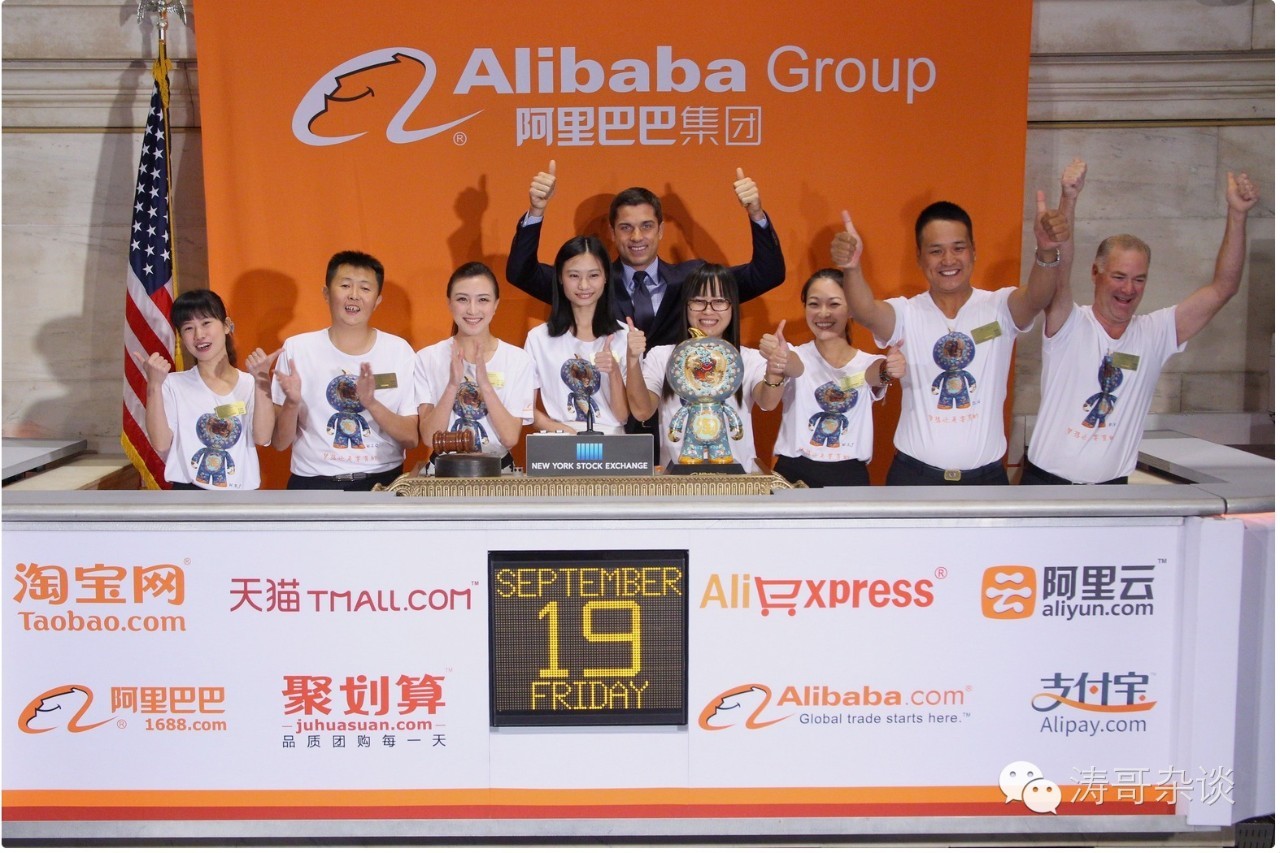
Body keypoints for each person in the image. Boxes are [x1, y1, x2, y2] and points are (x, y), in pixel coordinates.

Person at [1022, 165, 1261, 485]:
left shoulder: (1156, 333)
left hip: (1114, 493)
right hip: (1046, 485)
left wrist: (1237, 214)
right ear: (1095, 273)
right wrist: (1069, 198)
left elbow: (1223, 289)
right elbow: (1060, 271)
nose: (1128, 289)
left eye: (1139, 279)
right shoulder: (1068, 322)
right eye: (1119, 277)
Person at [831, 182, 1071, 485]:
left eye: (958, 248)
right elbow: (865, 311)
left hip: (987, 481)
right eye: (936, 251)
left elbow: (1037, 297)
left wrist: (1047, 251)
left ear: (974, 251)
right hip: (914, 478)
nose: (948, 260)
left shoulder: (1000, 307)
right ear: (919, 257)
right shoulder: (906, 313)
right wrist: (852, 268)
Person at [506, 161, 786, 349]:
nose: (637, 237)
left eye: (647, 226)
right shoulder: (590, 283)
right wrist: (537, 210)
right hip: (610, 410)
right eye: (626, 227)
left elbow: (768, 274)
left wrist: (755, 213)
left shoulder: (693, 280)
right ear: (612, 233)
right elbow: (521, 273)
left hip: (680, 408)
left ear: (661, 230)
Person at [624, 264, 798, 473]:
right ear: (685, 306)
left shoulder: (748, 358)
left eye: (719, 301)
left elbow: (768, 402)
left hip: (736, 479)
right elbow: (642, 411)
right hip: (679, 480)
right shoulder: (662, 356)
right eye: (698, 301)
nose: (708, 310)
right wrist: (632, 359)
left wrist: (775, 367)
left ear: (732, 306)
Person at [271, 250, 419, 490]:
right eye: (345, 285)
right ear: (326, 293)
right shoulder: (297, 349)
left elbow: (411, 438)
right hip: (312, 484)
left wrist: (371, 403)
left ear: (377, 300)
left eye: (365, 288)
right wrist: (291, 403)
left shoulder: (399, 351)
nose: (354, 295)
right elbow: (279, 442)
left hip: (382, 483)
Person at [768, 269, 906, 487]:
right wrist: (781, 358)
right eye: (814, 304)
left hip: (848, 476)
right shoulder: (795, 355)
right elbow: (795, 366)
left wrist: (888, 369)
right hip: (793, 473)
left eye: (833, 304)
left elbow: (874, 374)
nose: (823, 313)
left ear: (851, 309)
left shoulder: (866, 363)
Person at [132, 289, 275, 490]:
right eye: (188, 328)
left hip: (241, 495)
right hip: (188, 493)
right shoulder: (172, 384)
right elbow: (161, 443)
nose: (199, 335)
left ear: (226, 325)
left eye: (206, 323)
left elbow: (263, 437)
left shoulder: (250, 383)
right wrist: (154, 386)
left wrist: (262, 380)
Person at [416, 262, 536, 469]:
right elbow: (429, 437)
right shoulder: (427, 358)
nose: (472, 310)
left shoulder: (518, 359)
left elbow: (510, 438)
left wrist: (485, 385)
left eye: (483, 300)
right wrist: (452, 385)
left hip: (498, 472)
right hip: (443, 472)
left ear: (496, 305)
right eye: (462, 299)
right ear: (449, 303)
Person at [523, 236, 628, 435]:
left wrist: (614, 372)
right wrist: (562, 431)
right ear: (560, 277)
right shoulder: (538, 339)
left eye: (593, 275)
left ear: (606, 276)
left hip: (612, 443)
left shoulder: (625, 336)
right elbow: (526, 408)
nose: (584, 285)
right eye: (574, 276)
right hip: (560, 440)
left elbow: (622, 416)